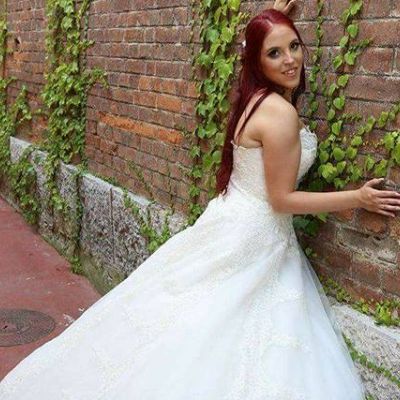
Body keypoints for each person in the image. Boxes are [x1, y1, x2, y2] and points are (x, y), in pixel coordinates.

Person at [1, 2, 399, 399]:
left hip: (231, 220)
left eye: (294, 46)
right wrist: (357, 197)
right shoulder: (279, 113)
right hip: (254, 236)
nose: (290, 60)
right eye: (275, 53)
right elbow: (281, 199)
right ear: (257, 62)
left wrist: (268, 18)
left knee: (194, 320)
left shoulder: (252, 98)